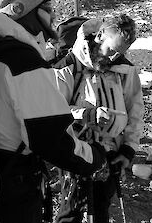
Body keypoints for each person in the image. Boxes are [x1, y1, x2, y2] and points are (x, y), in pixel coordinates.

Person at [0, 0, 107, 223]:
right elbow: (52, 140)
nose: (53, 13)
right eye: (46, 6)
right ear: (21, 9)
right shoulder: (23, 62)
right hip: (15, 193)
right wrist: (95, 157)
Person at [54, 14, 145, 223]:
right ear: (101, 35)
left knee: (101, 207)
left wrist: (129, 148)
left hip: (111, 152)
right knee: (72, 210)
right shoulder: (69, 66)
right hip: (75, 150)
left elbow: (135, 111)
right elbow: (53, 111)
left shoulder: (126, 70)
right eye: (112, 50)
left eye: (120, 53)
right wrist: (87, 115)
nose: (113, 57)